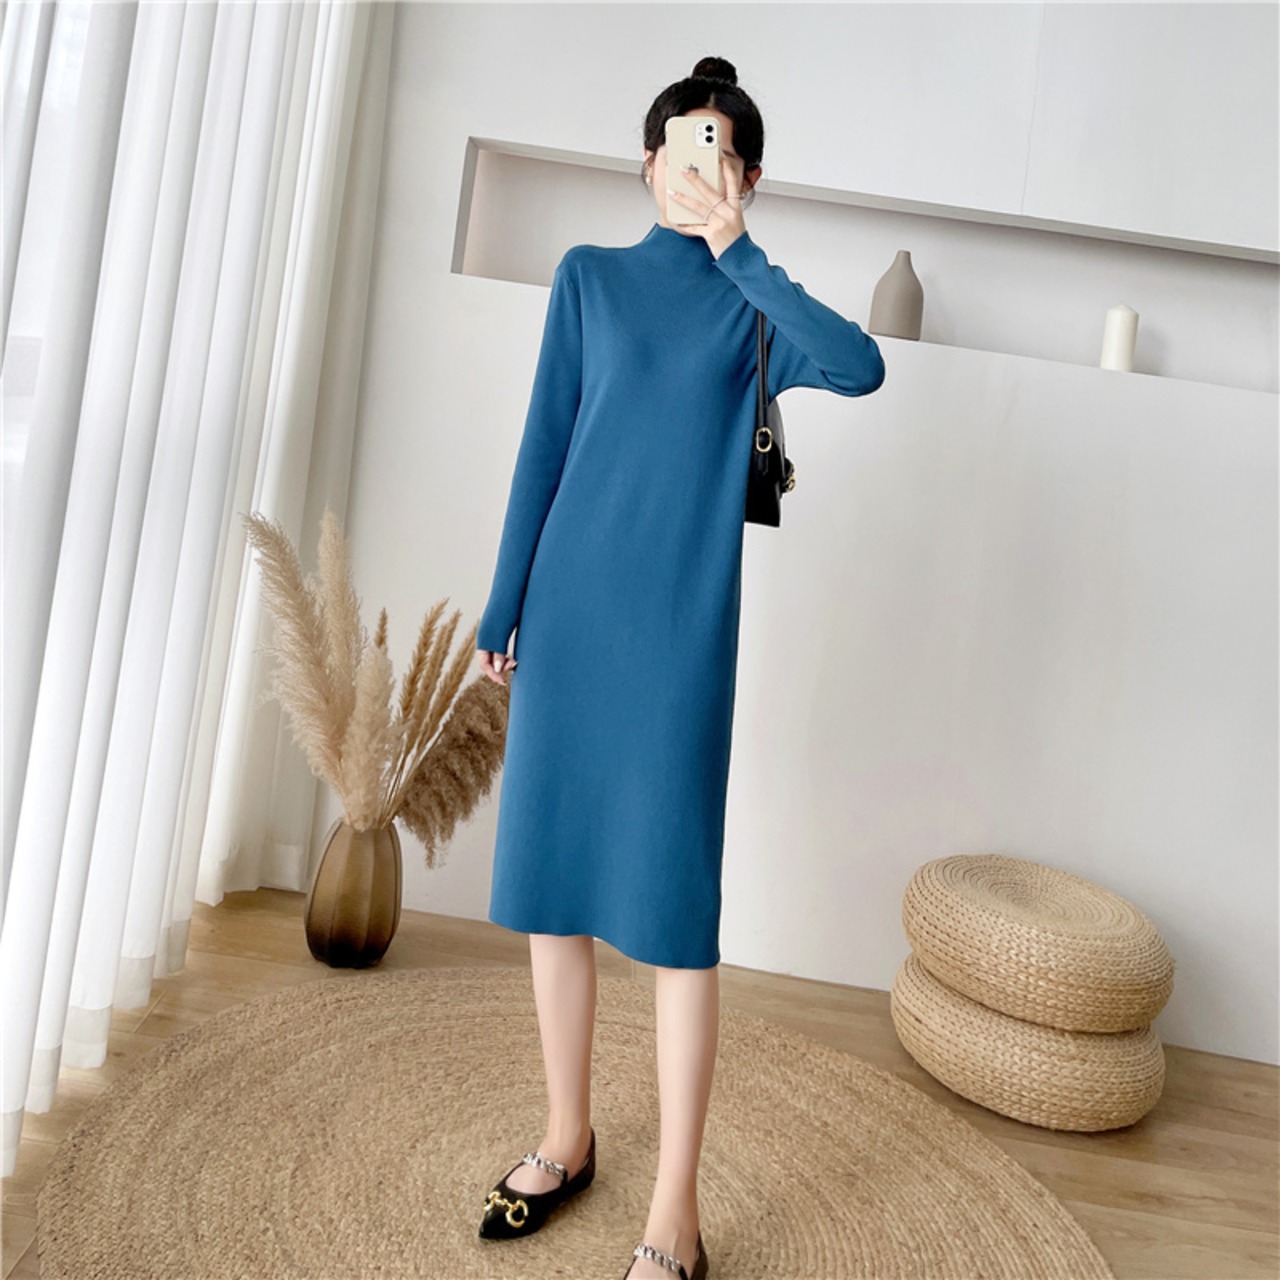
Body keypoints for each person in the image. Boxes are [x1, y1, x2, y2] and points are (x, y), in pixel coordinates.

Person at [473, 54, 886, 1280]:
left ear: (746, 177)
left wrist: (740, 252)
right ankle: (566, 1133)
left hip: (675, 640)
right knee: (550, 885)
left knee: (672, 916)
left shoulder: (752, 310)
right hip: (568, 620)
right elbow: (543, 444)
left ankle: (676, 1213)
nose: (699, 165)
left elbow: (859, 363)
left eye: (723, 151)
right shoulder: (586, 279)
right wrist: (503, 604)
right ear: (647, 162)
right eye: (682, 144)